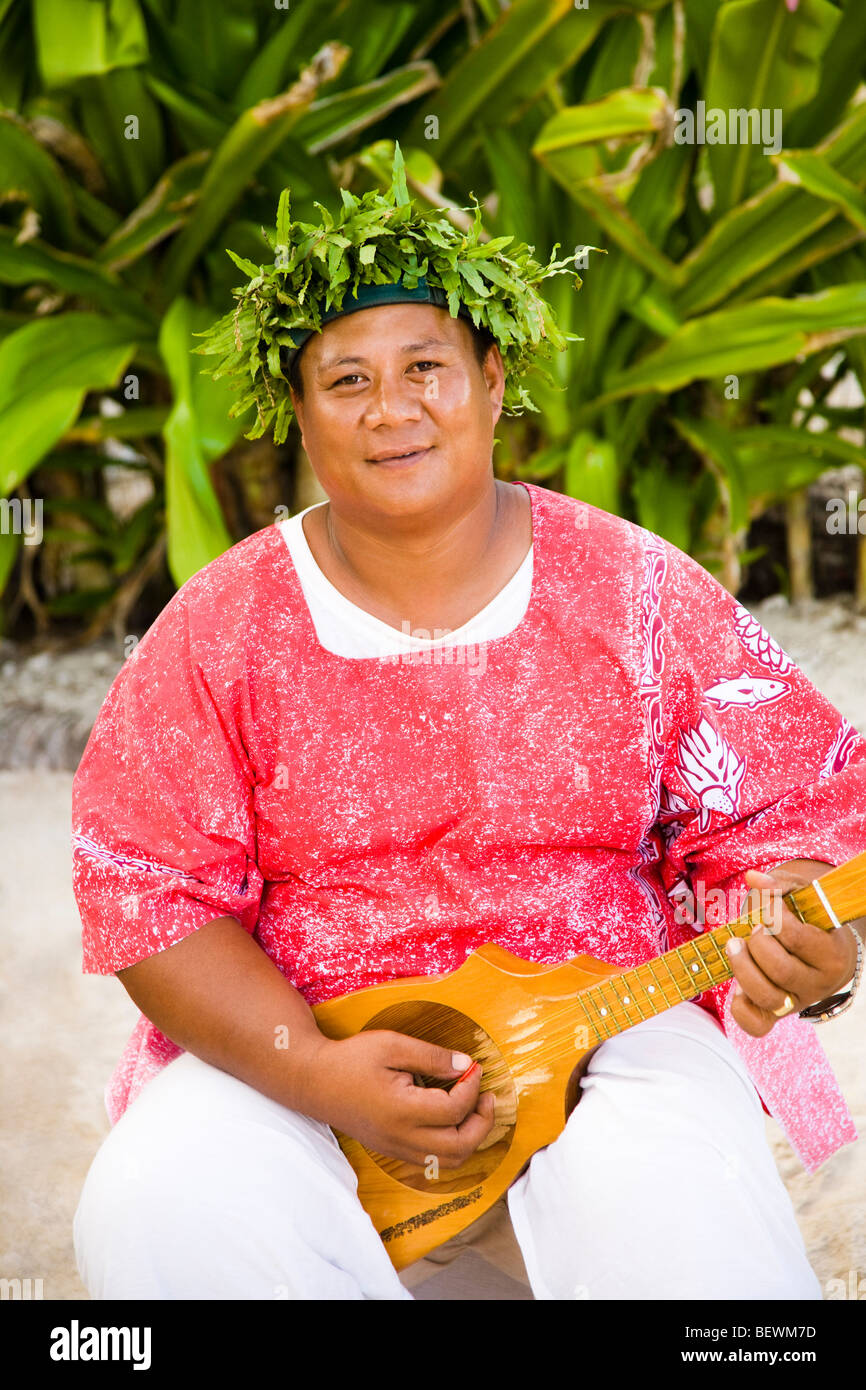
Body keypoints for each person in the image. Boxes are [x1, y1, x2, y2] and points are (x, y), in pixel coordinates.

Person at [71, 147, 865, 1301]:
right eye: (344, 381)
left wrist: (813, 948)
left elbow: (784, 826)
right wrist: (324, 1074)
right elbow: (152, 895)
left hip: (607, 1038)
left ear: (493, 380)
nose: (389, 409)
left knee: (685, 1224)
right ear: (295, 412)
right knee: (155, 1204)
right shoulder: (224, 624)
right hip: (305, 1043)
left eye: (427, 367)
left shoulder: (634, 590)